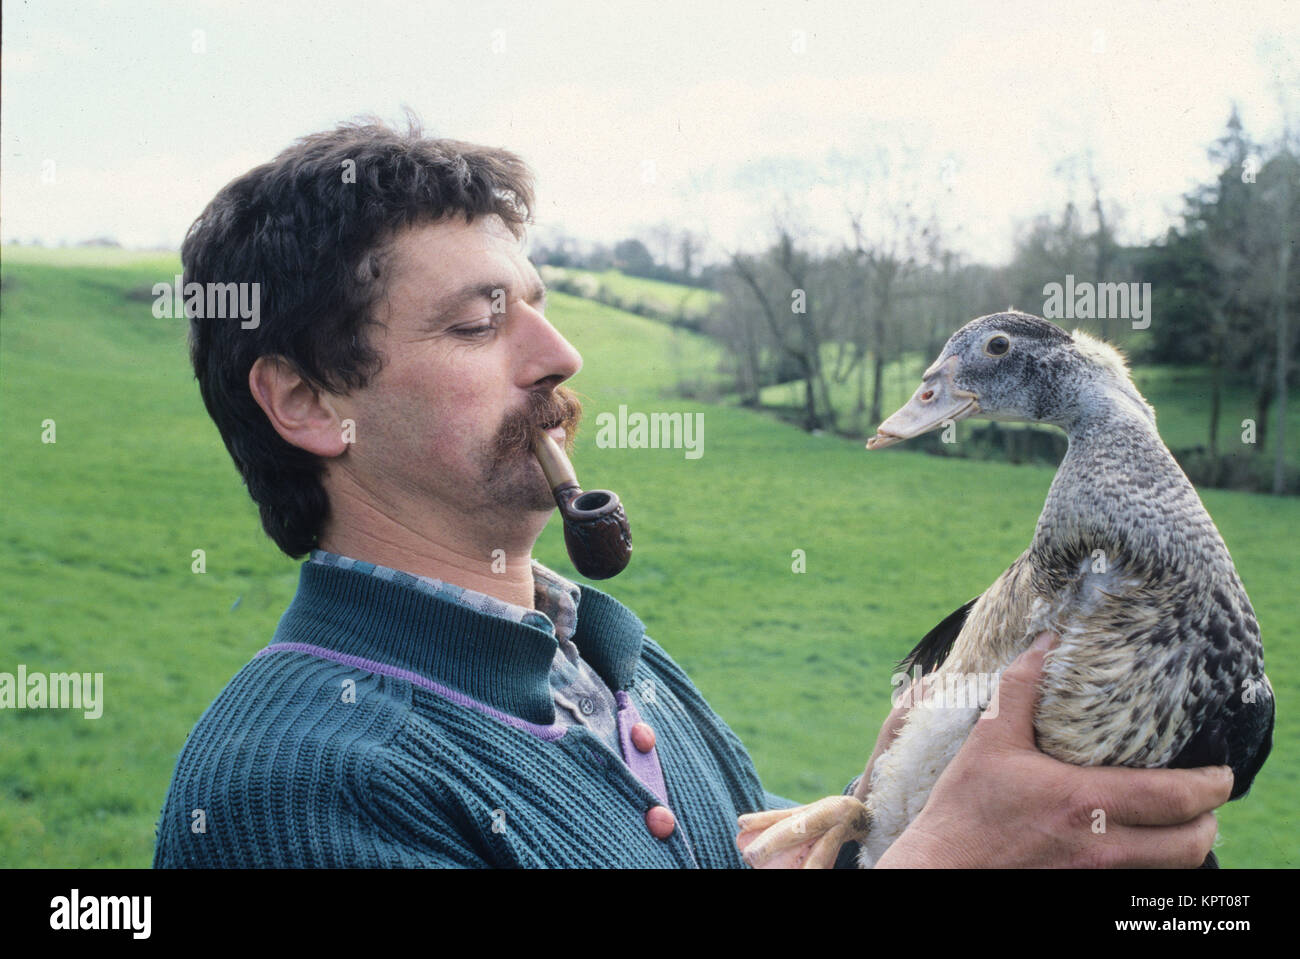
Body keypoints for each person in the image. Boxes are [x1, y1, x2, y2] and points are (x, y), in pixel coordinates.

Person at [153, 118, 1232, 868]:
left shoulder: (614, 660)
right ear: (303, 399)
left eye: (540, 304)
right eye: (480, 322)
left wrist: (896, 804)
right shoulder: (292, 787)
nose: (560, 354)